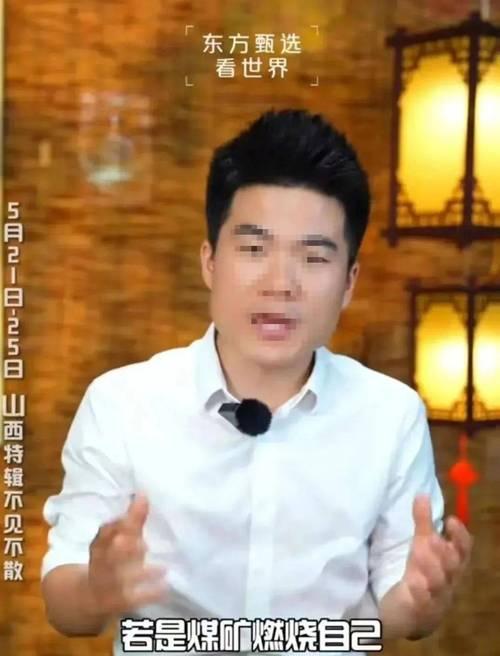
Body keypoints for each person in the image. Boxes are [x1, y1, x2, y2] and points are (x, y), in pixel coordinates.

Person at [40, 108, 472, 656]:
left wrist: (417, 607)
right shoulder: (123, 404)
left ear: (348, 283)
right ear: (210, 263)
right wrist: (96, 591)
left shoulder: (391, 416)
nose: (280, 283)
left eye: (313, 257)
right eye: (253, 249)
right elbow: (63, 598)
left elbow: (399, 599)